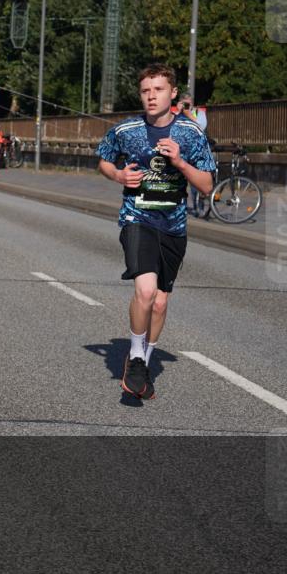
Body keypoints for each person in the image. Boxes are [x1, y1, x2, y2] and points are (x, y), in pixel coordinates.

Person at [96, 63, 215, 399]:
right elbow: (104, 159)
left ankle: (144, 363)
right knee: (145, 292)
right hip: (137, 218)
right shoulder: (125, 130)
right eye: (146, 91)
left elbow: (206, 186)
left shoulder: (190, 134)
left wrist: (180, 163)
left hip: (174, 225)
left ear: (172, 93)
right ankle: (135, 355)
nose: (151, 96)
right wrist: (118, 176)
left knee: (160, 304)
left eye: (158, 90)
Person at [176, 91, 209, 215]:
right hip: (180, 152)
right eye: (184, 104)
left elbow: (201, 127)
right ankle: (179, 205)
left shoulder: (199, 113)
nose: (186, 107)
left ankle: (198, 207)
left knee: (196, 182)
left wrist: (189, 115)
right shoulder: (176, 113)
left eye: (188, 104)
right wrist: (178, 112)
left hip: (196, 151)